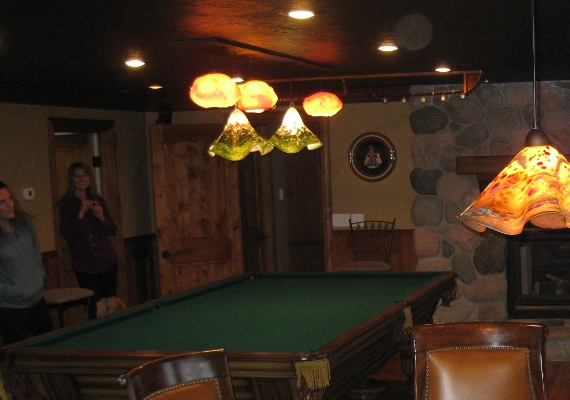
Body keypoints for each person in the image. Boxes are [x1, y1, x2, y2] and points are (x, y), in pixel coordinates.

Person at [59, 162, 118, 318]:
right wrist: (81, 214)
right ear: (71, 179)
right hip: (85, 265)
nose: (82, 179)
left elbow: (112, 230)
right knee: (95, 306)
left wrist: (101, 217)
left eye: (85, 175)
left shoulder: (98, 199)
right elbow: (69, 236)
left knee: (111, 304)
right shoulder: (66, 204)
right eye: (77, 176)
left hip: (107, 262)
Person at [0, 180, 54, 345]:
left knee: (50, 348)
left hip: (37, 300)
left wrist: (40, 275)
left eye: (10, 199)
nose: (10, 204)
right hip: (11, 307)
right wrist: (15, 291)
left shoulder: (24, 223)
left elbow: (36, 251)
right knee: (19, 357)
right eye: (2, 202)